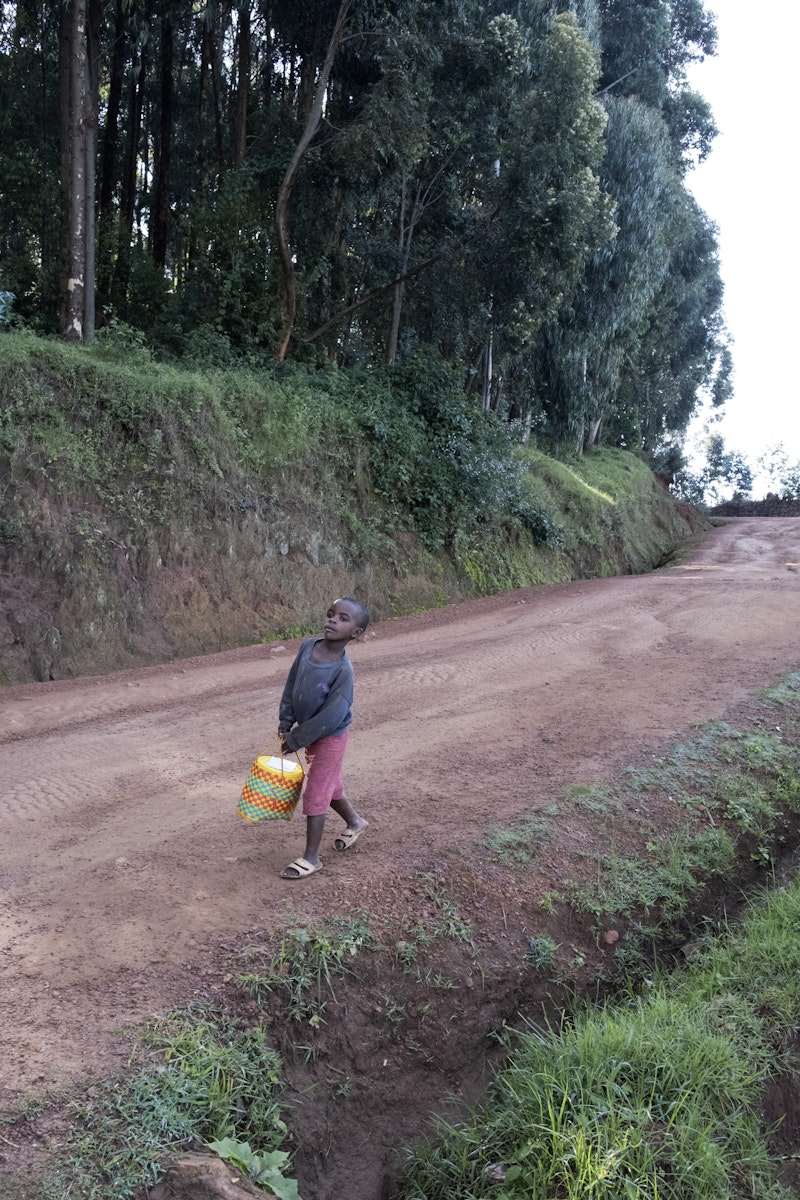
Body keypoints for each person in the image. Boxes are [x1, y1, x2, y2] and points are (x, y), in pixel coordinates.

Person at [277, 597, 369, 879]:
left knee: (316, 791)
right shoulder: (307, 646)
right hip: (309, 733)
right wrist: (286, 720)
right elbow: (292, 683)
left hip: (330, 737)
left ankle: (311, 857)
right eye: (331, 615)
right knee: (329, 785)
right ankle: (355, 821)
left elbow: (332, 716)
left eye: (343, 619)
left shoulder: (343, 671)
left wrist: (297, 739)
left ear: (355, 633)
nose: (332, 620)